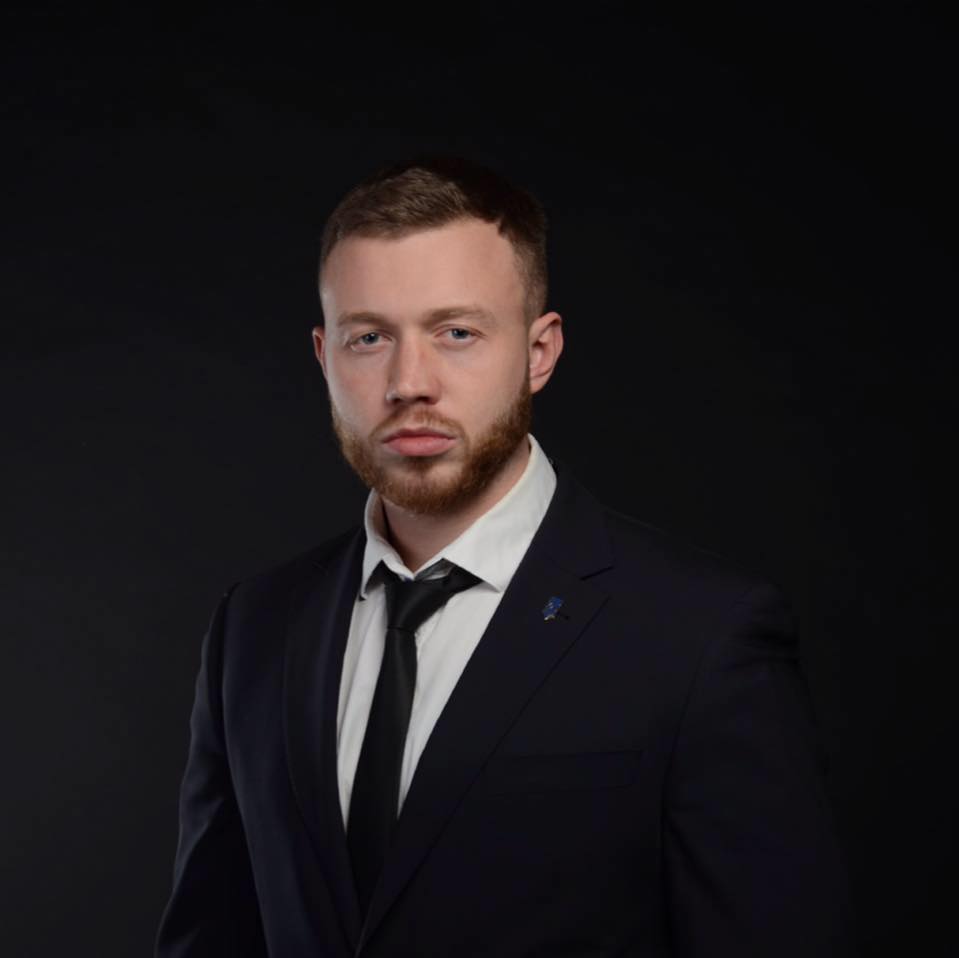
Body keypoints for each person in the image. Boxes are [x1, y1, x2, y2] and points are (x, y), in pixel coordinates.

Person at [155, 154, 854, 957]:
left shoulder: (700, 635)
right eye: (369, 337)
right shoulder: (256, 627)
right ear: (324, 356)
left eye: (456, 333)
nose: (408, 382)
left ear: (539, 351)